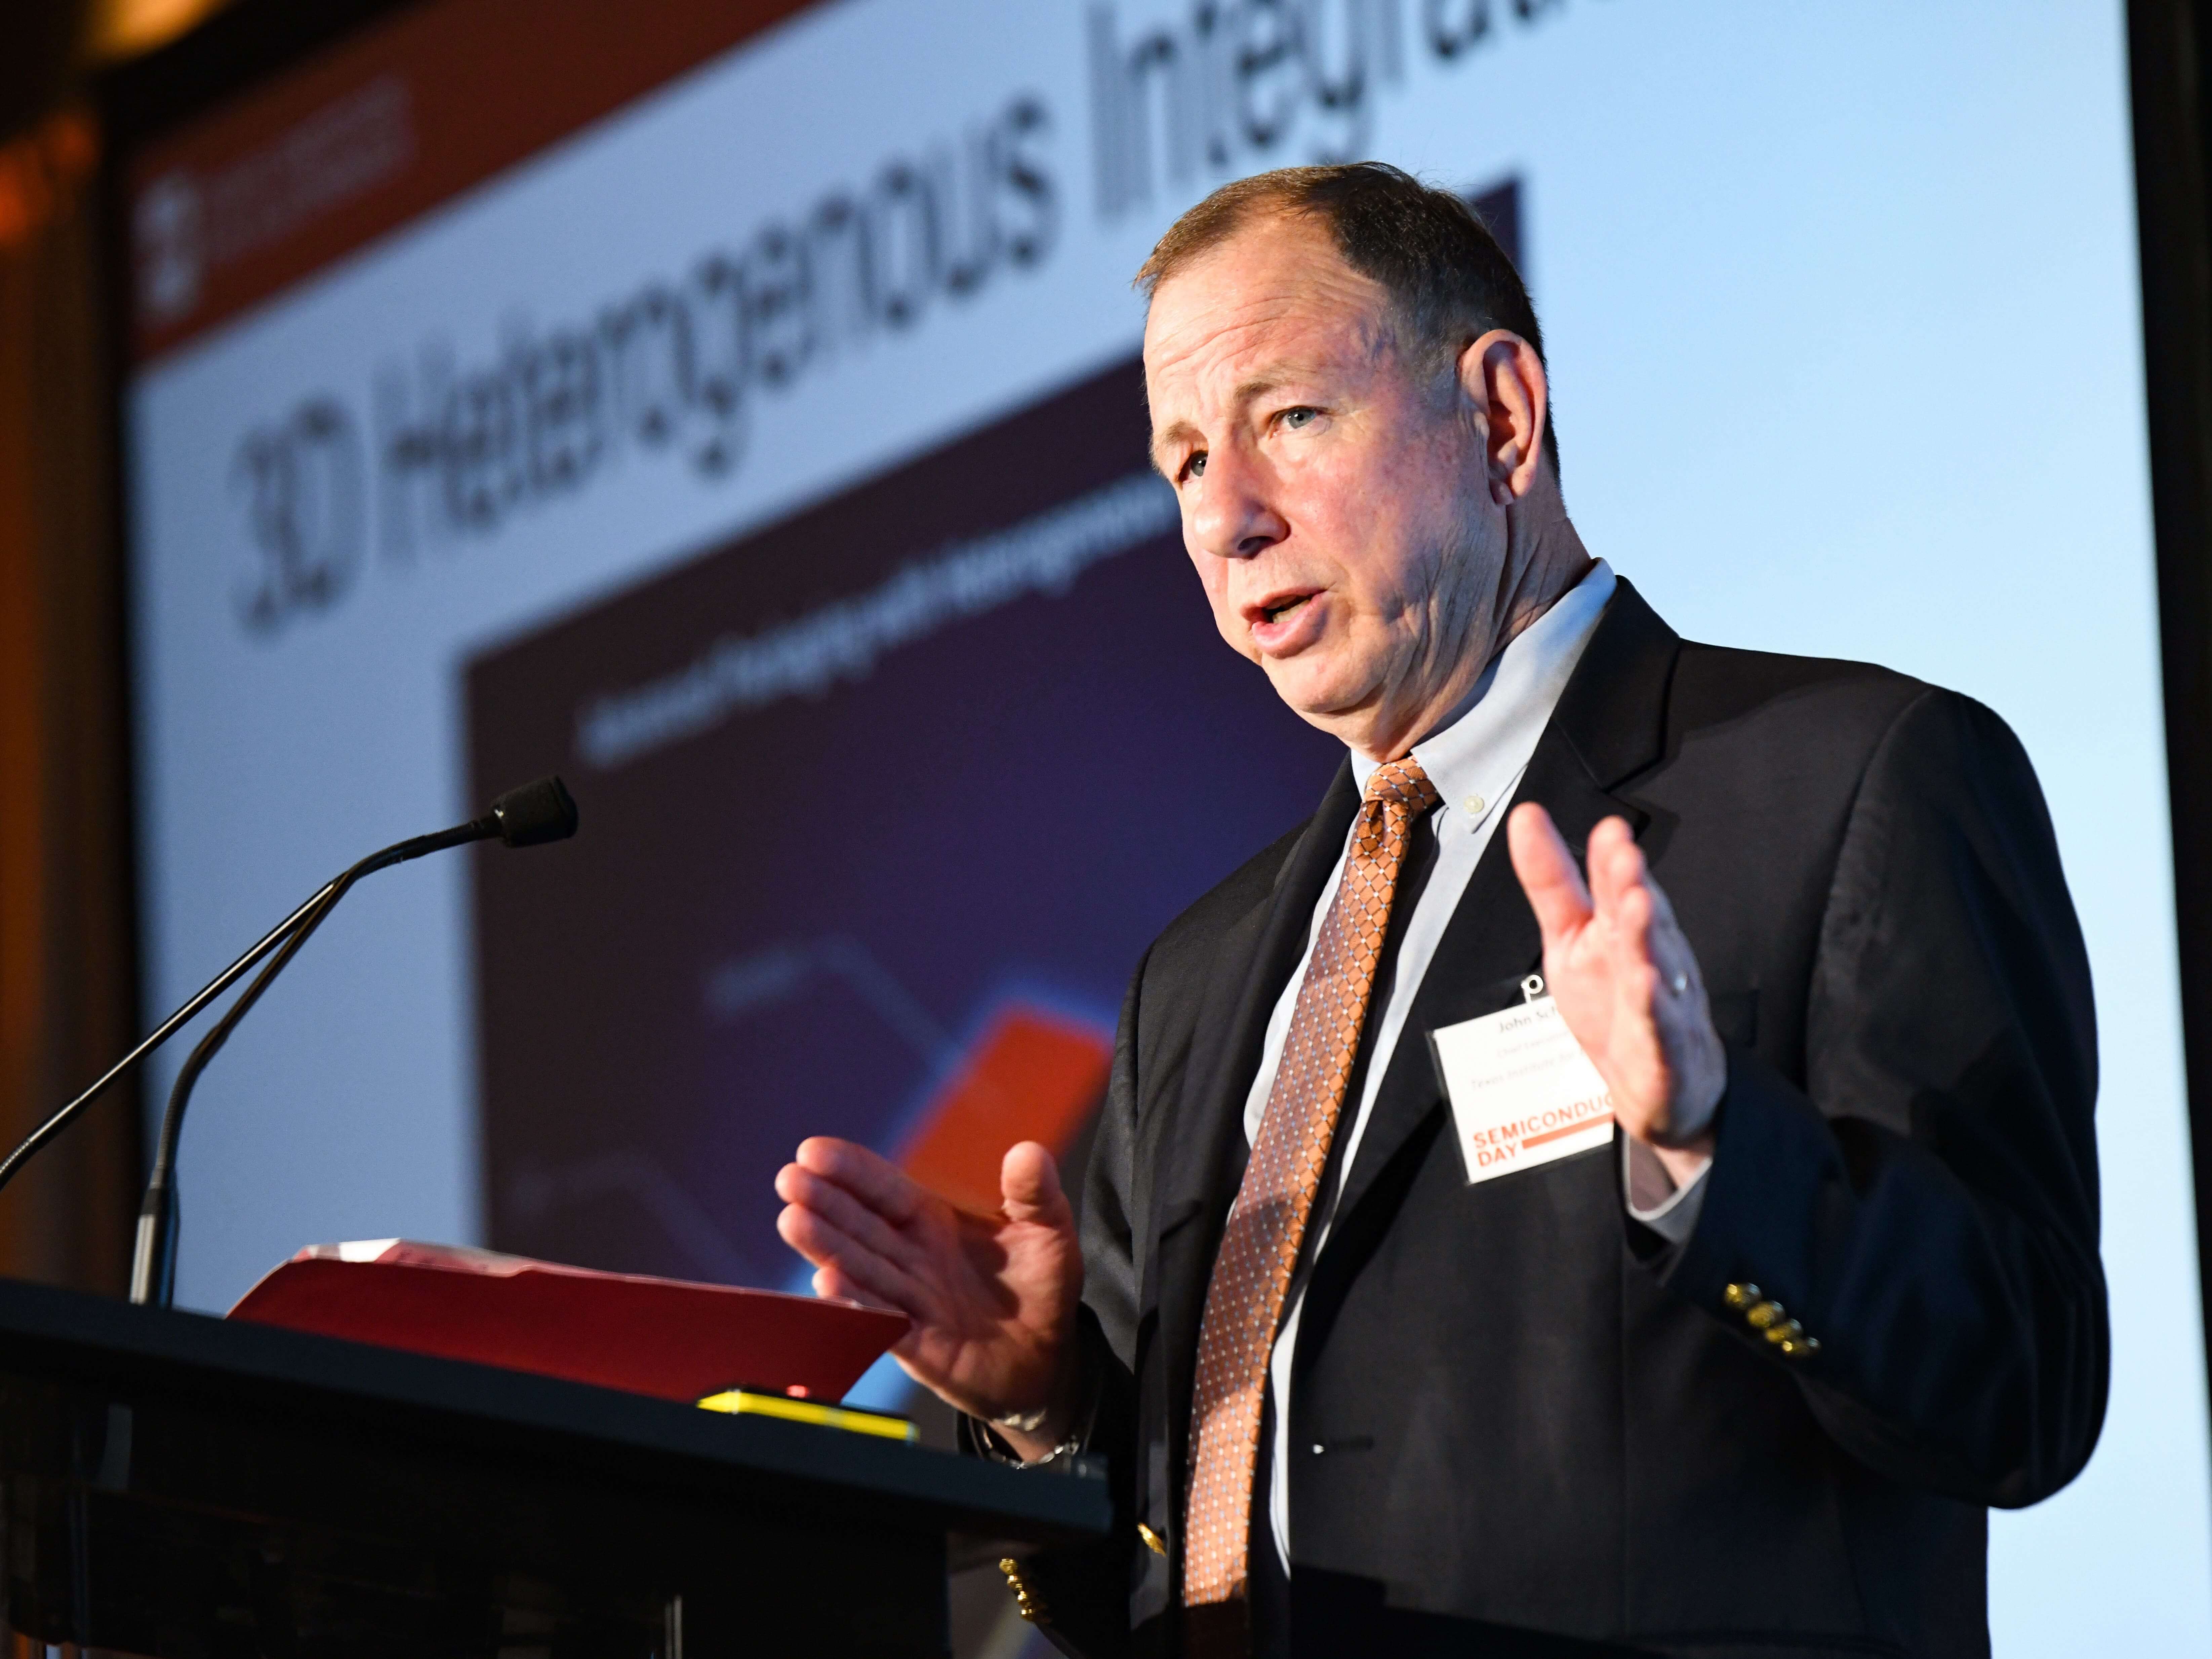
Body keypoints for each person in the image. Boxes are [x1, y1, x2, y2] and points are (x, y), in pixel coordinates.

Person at [774, 163, 2105, 1658]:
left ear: (1498, 419)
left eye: (1286, 420)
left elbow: (2024, 1388)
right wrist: (1049, 1413)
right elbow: (1152, 1589)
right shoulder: (1198, 981)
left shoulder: (1849, 781)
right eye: (1182, 461)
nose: (1227, 517)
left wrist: (1711, 1155)